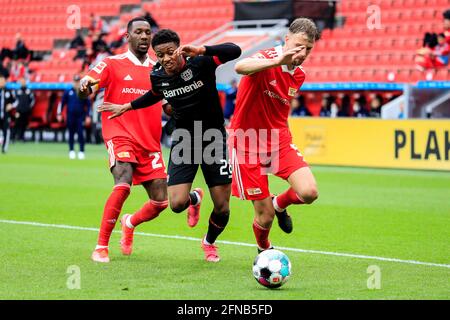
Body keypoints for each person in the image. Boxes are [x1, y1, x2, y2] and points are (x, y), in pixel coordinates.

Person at [98, 29, 242, 262]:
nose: (165, 59)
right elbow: (155, 94)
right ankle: (194, 199)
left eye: (170, 52)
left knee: (223, 207)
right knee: (175, 204)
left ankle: (209, 243)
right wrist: (127, 107)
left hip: (213, 137)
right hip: (185, 138)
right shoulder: (157, 74)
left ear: (179, 48)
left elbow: (235, 51)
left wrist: (203, 49)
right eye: (160, 54)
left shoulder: (201, 63)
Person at [79, 17, 169, 263]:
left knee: (161, 202)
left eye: (147, 32)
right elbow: (86, 83)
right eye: (138, 32)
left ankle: (129, 223)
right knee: (123, 182)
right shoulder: (112, 63)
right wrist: (85, 86)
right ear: (127, 37)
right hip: (119, 133)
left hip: (149, 141)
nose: (144, 36)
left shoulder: (159, 68)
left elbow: (168, 103)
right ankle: (101, 246)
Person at [229, 18, 320, 253]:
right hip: (247, 142)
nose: (302, 52)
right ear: (286, 39)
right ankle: (264, 249)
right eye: (299, 45)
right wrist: (277, 60)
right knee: (265, 217)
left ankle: (280, 203)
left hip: (279, 141)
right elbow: (239, 67)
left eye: (308, 48)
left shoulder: (299, 75)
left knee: (309, 192)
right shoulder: (267, 57)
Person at [57, 75, 91, 159]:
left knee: (80, 134)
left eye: (77, 81)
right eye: (75, 81)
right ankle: (71, 150)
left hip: (80, 116)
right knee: (71, 134)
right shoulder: (68, 91)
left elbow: (88, 105)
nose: (76, 83)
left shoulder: (83, 91)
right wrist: (59, 113)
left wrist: (88, 116)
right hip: (70, 116)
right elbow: (62, 103)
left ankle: (81, 151)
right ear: (73, 81)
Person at [12, 77, 34, 142]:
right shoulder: (17, 91)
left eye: (23, 81)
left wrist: (29, 107)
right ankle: (13, 137)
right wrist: (16, 109)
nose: (22, 82)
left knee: (24, 124)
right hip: (19, 110)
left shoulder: (29, 91)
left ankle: (22, 137)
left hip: (26, 110)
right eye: (21, 81)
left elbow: (32, 100)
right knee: (17, 123)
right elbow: (15, 101)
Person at [0, 75, 16, 153]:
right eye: (1, 81)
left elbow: (16, 101)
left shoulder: (9, 91)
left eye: (3, 81)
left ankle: (4, 149)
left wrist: (11, 105)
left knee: (6, 131)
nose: (2, 82)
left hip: (6, 115)